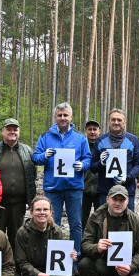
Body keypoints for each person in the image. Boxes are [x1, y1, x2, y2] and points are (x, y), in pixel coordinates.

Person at [32, 103, 92, 253]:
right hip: (53, 187)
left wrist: (82, 165)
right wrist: (44, 157)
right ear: (55, 117)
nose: (63, 118)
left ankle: (75, 257)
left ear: (71, 117)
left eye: (65, 115)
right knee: (53, 223)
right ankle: (54, 258)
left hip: (74, 187)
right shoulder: (45, 136)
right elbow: (35, 157)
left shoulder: (80, 138)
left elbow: (88, 159)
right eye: (60, 115)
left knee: (76, 224)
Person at [13, 196, 77, 276]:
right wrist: (36, 274)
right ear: (31, 212)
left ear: (51, 212)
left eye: (45, 209)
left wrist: (69, 256)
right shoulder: (22, 233)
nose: (42, 212)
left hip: (48, 273)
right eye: (38, 209)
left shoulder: (56, 231)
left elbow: (59, 257)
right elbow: (21, 262)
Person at [0, 118, 37, 250]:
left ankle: (15, 265)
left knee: (16, 235)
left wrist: (31, 199)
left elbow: (32, 175)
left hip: (19, 203)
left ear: (19, 131)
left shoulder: (27, 150)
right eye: (9, 129)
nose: (12, 132)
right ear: (2, 131)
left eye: (15, 129)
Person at [91, 108, 139, 210]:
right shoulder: (100, 140)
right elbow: (93, 167)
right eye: (113, 120)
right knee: (105, 222)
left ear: (124, 122)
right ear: (108, 122)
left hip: (127, 190)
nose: (116, 122)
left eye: (119, 120)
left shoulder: (133, 140)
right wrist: (101, 163)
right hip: (105, 191)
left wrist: (127, 177)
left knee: (127, 223)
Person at [82, 120, 101, 227]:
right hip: (84, 189)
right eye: (90, 129)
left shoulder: (103, 146)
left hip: (100, 189)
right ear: (86, 131)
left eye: (95, 129)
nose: (92, 132)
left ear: (99, 131)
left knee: (100, 220)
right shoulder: (81, 146)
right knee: (82, 219)